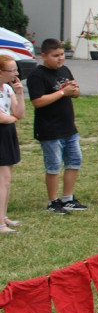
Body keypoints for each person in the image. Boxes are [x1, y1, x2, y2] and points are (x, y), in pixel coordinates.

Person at [27, 39, 87, 215]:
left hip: (69, 127)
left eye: (62, 55)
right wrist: (62, 92)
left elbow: (75, 92)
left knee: (74, 161)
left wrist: (73, 90)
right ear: (44, 56)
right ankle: (53, 201)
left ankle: (68, 198)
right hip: (49, 129)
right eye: (55, 56)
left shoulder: (64, 70)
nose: (60, 59)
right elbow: (37, 101)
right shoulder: (37, 76)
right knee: (53, 166)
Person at [0, 56, 25, 233]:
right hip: (2, 131)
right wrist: (12, 118)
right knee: (3, 179)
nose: (16, 74)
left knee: (7, 178)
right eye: (12, 71)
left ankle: (3, 216)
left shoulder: (7, 88)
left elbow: (18, 112)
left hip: (8, 132)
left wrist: (20, 94)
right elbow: (2, 117)